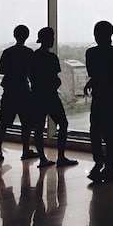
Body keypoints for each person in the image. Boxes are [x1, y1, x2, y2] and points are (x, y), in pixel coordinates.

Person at [29, 27, 78, 168]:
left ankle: (43, 159)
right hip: (50, 95)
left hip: (36, 95)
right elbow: (54, 79)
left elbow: (31, 75)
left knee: (38, 126)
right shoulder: (51, 58)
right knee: (63, 123)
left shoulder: (33, 56)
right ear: (50, 39)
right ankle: (61, 157)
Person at [0, 25, 40, 162]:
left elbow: (0, 70)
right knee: (26, 122)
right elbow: (32, 72)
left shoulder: (7, 52)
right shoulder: (28, 53)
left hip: (9, 89)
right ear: (26, 36)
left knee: (3, 122)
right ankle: (25, 150)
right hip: (23, 90)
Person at [84, 21, 113, 182]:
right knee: (112, 133)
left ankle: (99, 161)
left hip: (99, 96)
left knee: (95, 130)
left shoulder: (91, 53)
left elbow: (92, 72)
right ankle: (110, 163)